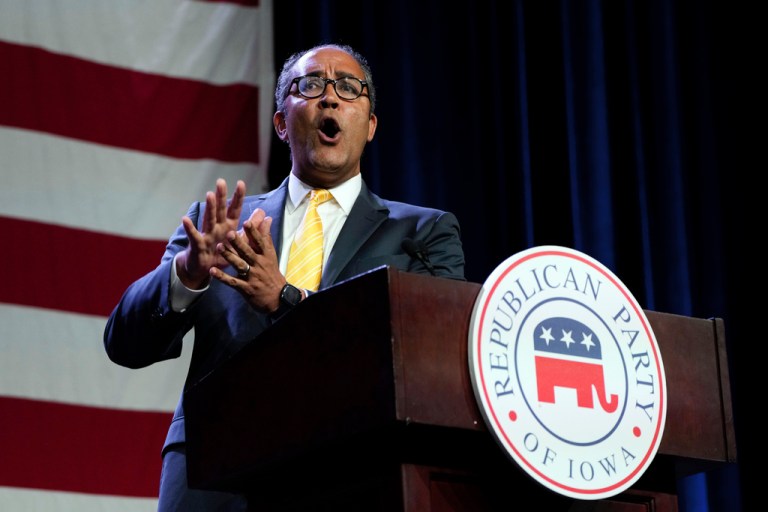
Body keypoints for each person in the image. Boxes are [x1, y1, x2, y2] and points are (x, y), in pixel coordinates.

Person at [103, 43, 465, 511]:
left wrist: (286, 299)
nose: (330, 98)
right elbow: (124, 344)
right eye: (311, 85)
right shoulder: (221, 224)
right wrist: (188, 274)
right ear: (281, 122)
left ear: (370, 125)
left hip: (351, 472)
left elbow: (430, 364)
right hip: (216, 476)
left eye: (349, 88)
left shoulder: (424, 232)